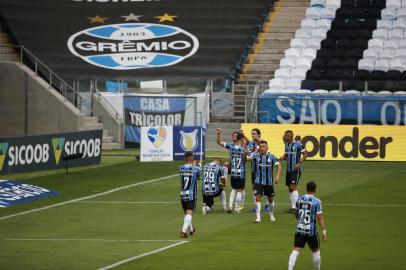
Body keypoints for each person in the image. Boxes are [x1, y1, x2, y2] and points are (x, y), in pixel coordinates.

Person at [288, 181, 327, 270]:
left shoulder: (300, 199)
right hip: (311, 232)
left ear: (306, 189)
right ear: (315, 189)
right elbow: (320, 217)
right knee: (315, 251)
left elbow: (296, 212)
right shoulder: (316, 201)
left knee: (296, 250)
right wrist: (324, 231)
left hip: (299, 230)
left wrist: (299, 219)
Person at [247, 140, 281, 223]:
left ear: (267, 147)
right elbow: (248, 159)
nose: (262, 148)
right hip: (258, 181)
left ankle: (271, 214)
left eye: (264, 146)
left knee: (270, 199)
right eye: (261, 146)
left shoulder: (271, 156)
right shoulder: (256, 156)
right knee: (258, 197)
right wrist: (244, 152)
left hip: (269, 182)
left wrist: (277, 176)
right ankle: (258, 217)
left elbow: (279, 166)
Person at [216, 128, 247, 213]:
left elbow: (219, 142)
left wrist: (218, 133)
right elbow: (248, 157)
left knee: (234, 189)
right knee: (240, 190)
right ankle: (237, 208)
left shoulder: (231, 146)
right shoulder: (243, 148)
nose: (234, 136)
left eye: (235, 136)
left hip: (233, 172)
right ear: (241, 139)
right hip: (241, 173)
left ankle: (230, 205)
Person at [279, 130, 308, 213]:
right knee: (290, 188)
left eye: (286, 136)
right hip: (288, 169)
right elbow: (286, 155)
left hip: (296, 169)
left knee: (293, 186)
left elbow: (305, 154)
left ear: (291, 136)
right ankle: (293, 207)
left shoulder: (298, 144)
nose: (284, 137)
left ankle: (296, 207)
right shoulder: (287, 144)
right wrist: (282, 157)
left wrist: (299, 163)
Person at [178, 151, 201, 238]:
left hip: (182, 194)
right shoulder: (196, 169)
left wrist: (194, 165)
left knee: (186, 213)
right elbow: (199, 177)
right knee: (189, 213)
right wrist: (198, 165)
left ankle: (191, 230)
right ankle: (183, 232)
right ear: (192, 158)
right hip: (191, 194)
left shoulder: (180, 168)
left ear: (185, 159)